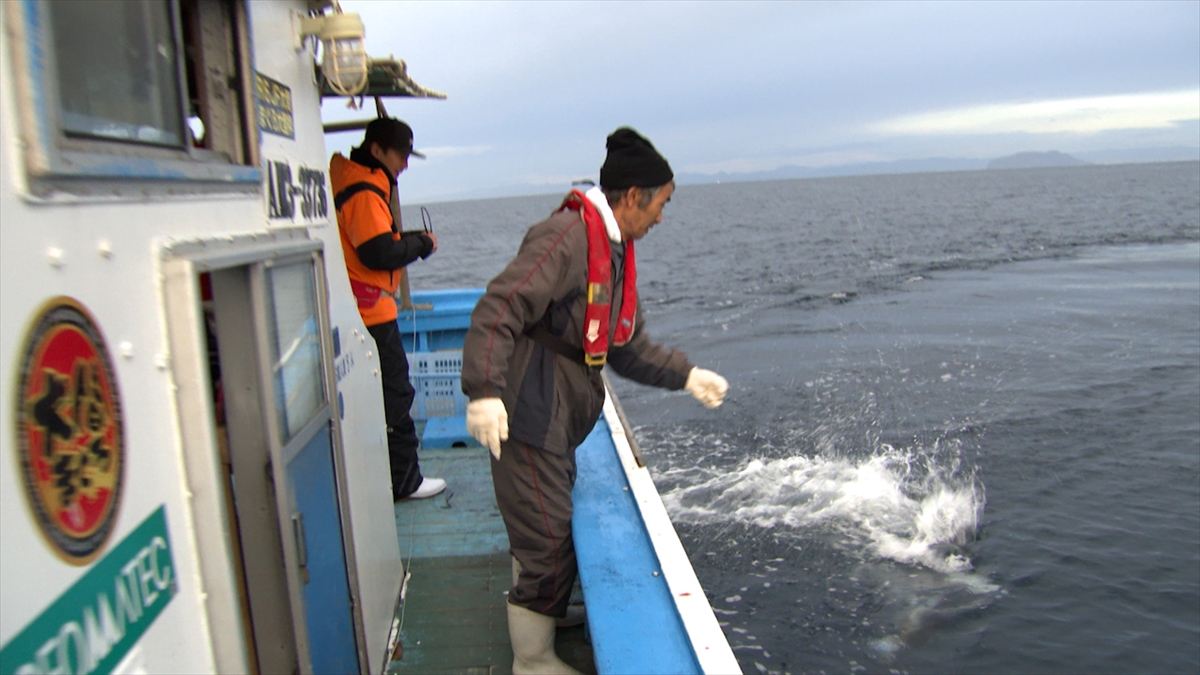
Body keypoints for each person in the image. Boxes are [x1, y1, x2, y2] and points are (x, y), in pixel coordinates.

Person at [461, 127, 728, 673]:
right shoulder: (564, 237)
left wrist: (686, 374)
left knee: (547, 527)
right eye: (661, 204)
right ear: (633, 197)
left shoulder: (613, 247)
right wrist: (484, 392)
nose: (660, 217)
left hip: (559, 414)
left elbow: (623, 344)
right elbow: (500, 307)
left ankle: (546, 612)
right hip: (530, 412)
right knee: (546, 543)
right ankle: (531, 660)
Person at [330, 117, 446, 501]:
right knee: (395, 393)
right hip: (371, 317)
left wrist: (411, 239)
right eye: (401, 154)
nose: (405, 164)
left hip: (357, 312)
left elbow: (381, 240)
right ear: (377, 150)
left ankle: (383, 473)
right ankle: (405, 481)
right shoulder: (364, 191)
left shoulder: (358, 182)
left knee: (377, 396)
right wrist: (423, 246)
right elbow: (378, 252)